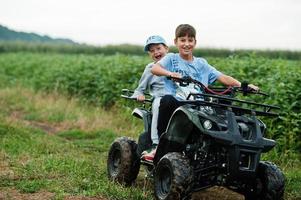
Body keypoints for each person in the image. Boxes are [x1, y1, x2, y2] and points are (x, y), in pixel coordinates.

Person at [150, 24, 259, 160]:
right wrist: (170, 73)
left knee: (227, 103)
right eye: (182, 40)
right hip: (178, 103)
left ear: (195, 42)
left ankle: (230, 151)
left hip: (199, 104)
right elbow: (155, 69)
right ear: (175, 42)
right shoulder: (171, 58)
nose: (186, 44)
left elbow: (223, 77)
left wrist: (243, 85)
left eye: (190, 40)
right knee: (166, 100)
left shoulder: (201, 64)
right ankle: (160, 145)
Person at [131, 35, 169, 161]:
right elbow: (140, 89)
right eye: (152, 51)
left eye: (158, 48)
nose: (156, 52)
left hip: (178, 98)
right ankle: (155, 143)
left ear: (166, 49)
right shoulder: (150, 68)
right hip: (160, 97)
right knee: (159, 103)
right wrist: (140, 95)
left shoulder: (175, 63)